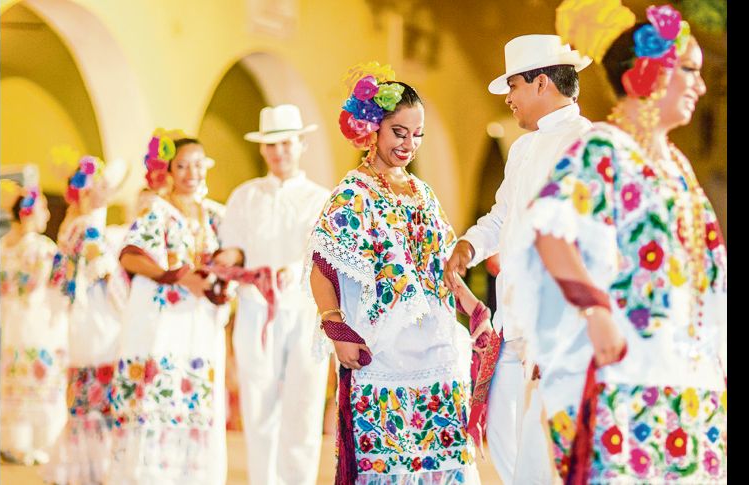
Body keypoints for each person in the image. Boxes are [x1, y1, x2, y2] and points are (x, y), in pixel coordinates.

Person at [501, 2, 726, 482]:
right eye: (689, 70)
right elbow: (550, 233)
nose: (700, 86)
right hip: (625, 367)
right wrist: (595, 309)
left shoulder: (677, 166)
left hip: (683, 367)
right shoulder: (604, 148)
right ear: (647, 73)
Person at [307, 62, 480, 485]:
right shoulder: (353, 193)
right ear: (372, 129)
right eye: (399, 132)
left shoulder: (422, 192)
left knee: (442, 460)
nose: (409, 144)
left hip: (435, 350)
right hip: (381, 349)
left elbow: (442, 263)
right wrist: (335, 327)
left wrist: (472, 306)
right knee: (385, 462)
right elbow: (321, 265)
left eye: (417, 134)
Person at [443, 33, 592, 484]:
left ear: (541, 83)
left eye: (513, 87)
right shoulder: (525, 147)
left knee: (546, 439)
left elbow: (582, 237)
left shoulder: (586, 143)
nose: (508, 98)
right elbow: (503, 214)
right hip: (511, 316)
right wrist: (470, 245)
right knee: (498, 434)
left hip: (556, 320)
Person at [106, 132, 232, 484]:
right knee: (158, 396)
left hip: (200, 324)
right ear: (170, 171)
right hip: (161, 325)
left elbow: (229, 259)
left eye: (197, 165)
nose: (192, 173)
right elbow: (130, 256)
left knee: (193, 399)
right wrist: (175, 276)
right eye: (183, 166)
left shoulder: (214, 216)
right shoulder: (158, 212)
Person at [216, 104, 331, 485]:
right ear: (262, 150)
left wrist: (293, 270)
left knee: (304, 401)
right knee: (258, 401)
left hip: (305, 310)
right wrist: (222, 260)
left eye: (285, 143)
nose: (279, 151)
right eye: (271, 145)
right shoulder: (245, 196)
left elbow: (324, 254)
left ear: (300, 144)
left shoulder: (322, 198)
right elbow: (232, 247)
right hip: (254, 308)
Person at [41, 155, 128, 485]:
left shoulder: (74, 224)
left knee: (89, 393)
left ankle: (85, 465)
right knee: (97, 390)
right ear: (86, 191)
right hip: (96, 316)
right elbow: (103, 273)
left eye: (106, 185)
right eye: (99, 185)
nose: (105, 191)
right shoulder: (88, 227)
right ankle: (90, 468)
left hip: (87, 315)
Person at [0, 179, 67, 466]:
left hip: (8, 321)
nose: (47, 215)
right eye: (42, 209)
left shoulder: (3, 247)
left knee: (12, 380)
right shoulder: (42, 248)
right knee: (40, 379)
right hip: (37, 322)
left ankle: (14, 443)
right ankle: (41, 442)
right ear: (29, 212)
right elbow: (55, 288)